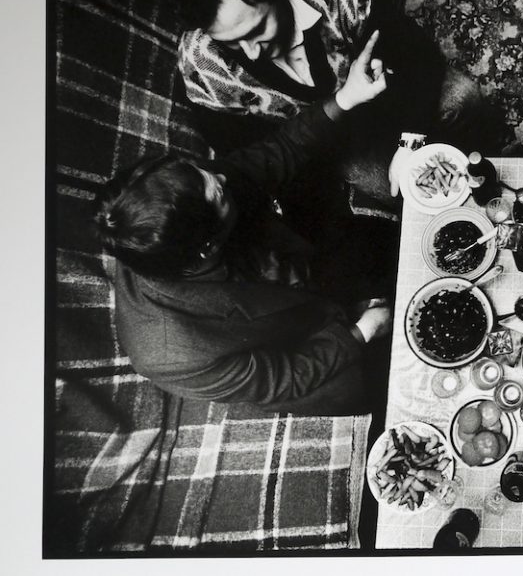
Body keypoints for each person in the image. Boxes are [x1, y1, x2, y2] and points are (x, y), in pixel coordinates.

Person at [93, 33, 395, 415]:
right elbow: (286, 376)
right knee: (384, 381)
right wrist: (361, 331)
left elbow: (279, 153)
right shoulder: (171, 353)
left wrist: (345, 98)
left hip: (303, 272)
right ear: (206, 246)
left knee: (393, 245)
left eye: (205, 171)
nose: (221, 177)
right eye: (218, 193)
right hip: (305, 355)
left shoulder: (194, 190)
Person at [158, 0, 501, 206]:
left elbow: (417, 54)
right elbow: (262, 162)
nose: (250, 53)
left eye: (257, 29)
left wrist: (410, 141)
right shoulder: (202, 69)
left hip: (389, 96)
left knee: (465, 100)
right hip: (329, 148)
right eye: (231, 42)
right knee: (390, 188)